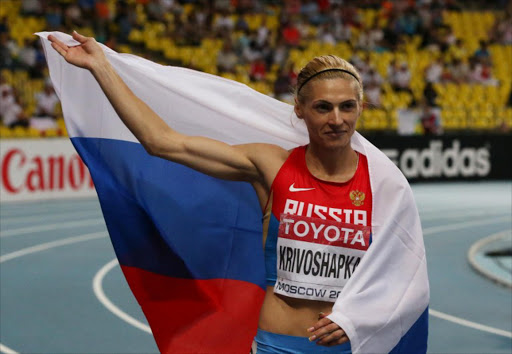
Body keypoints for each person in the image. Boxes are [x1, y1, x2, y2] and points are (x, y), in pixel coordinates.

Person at [47, 31, 428, 353]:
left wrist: (358, 319)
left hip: (350, 345)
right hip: (278, 342)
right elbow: (163, 143)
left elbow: (402, 276)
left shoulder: (384, 185)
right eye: (322, 107)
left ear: (361, 107)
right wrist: (102, 67)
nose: (336, 119)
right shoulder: (272, 167)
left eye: (347, 107)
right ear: (299, 110)